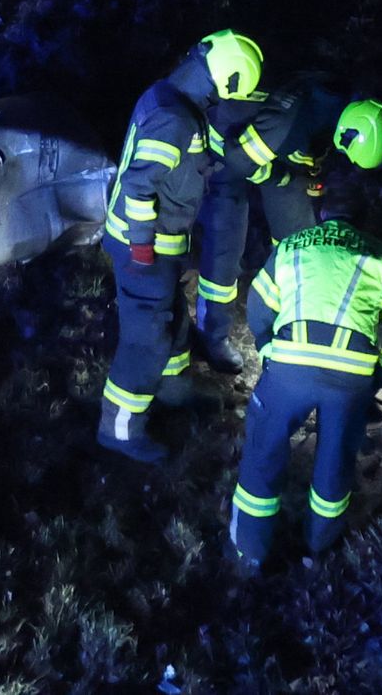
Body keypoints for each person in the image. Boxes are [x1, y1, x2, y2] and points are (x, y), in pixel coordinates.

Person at [225, 215, 382, 575]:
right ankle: (320, 548)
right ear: (356, 226)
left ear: (323, 219)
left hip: (289, 368)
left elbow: (259, 304)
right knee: (335, 459)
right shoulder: (378, 256)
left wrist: (268, 351)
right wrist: (381, 375)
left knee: (263, 452)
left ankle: (248, 553)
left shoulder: (292, 247)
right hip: (350, 377)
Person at [96, 30, 265, 462]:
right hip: (145, 249)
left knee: (173, 323)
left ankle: (173, 393)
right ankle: (119, 429)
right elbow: (138, 187)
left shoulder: (170, 97)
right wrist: (141, 251)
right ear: (223, 83)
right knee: (146, 338)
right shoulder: (176, 119)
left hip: (160, 248)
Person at [197, 88, 382, 364]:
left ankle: (294, 323)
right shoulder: (289, 124)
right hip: (225, 154)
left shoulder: (344, 113)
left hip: (278, 160)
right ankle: (212, 338)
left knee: (298, 241)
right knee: (226, 246)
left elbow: (318, 160)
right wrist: (277, 176)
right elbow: (237, 161)